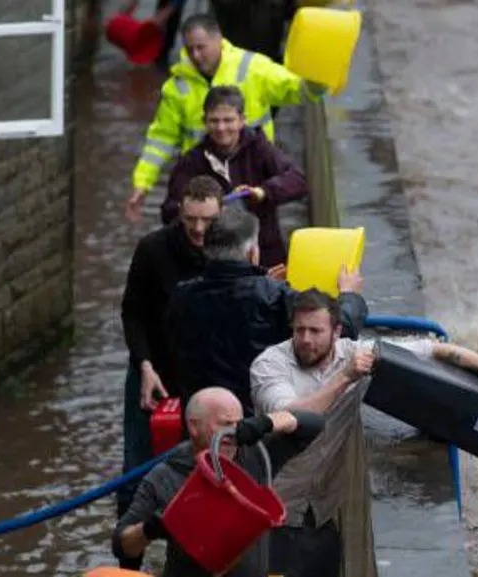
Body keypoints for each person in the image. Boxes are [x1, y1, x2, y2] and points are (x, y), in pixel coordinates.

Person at [250, 288, 478, 577]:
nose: (305, 339)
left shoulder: (353, 352)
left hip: (322, 511)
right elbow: (293, 418)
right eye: (299, 330)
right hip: (273, 509)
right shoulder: (269, 366)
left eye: (315, 331)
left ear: (336, 331)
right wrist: (345, 378)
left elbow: (433, 349)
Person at [166, 207, 367, 415]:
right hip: (261, 423)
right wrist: (349, 294)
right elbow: (339, 328)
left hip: (201, 416)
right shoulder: (273, 295)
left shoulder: (181, 295)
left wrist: (262, 279)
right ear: (252, 251)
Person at [127, 13, 325, 222]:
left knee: (258, 236)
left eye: (201, 47)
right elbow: (160, 140)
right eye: (189, 49)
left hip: (253, 175)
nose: (195, 55)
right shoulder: (177, 86)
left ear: (218, 40)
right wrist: (142, 183)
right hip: (201, 179)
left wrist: (320, 81)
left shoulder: (253, 68)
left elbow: (297, 90)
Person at [116, 175, 222, 563]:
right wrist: (143, 365)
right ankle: (129, 564)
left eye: (207, 221)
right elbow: (132, 312)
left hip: (203, 380)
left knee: (210, 473)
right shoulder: (152, 249)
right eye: (191, 219)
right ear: (180, 212)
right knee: (136, 474)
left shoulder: (227, 251)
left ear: (221, 215)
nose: (198, 229)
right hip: (153, 376)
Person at [112, 387, 326, 577]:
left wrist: (265, 423)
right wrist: (150, 529)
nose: (233, 433)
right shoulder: (164, 476)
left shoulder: (255, 454)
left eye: (238, 424)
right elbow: (122, 546)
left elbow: (314, 425)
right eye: (225, 424)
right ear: (194, 427)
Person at [163, 85, 308, 268]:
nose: (221, 128)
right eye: (214, 121)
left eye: (228, 120)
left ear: (242, 120)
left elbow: (298, 180)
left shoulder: (259, 148)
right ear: (204, 122)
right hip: (211, 263)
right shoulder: (191, 161)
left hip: (265, 256)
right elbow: (169, 211)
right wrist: (209, 211)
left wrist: (262, 192)